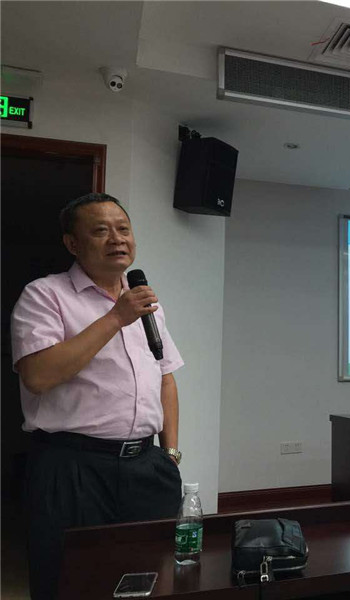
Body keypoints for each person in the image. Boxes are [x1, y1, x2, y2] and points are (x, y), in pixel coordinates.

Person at [10, 193, 184, 599]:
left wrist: (170, 454)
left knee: (150, 578)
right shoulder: (45, 295)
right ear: (72, 243)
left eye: (123, 229)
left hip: (147, 468)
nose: (117, 239)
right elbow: (37, 376)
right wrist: (117, 317)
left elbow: (165, 378)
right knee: (70, 582)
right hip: (72, 468)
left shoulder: (148, 305)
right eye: (101, 231)